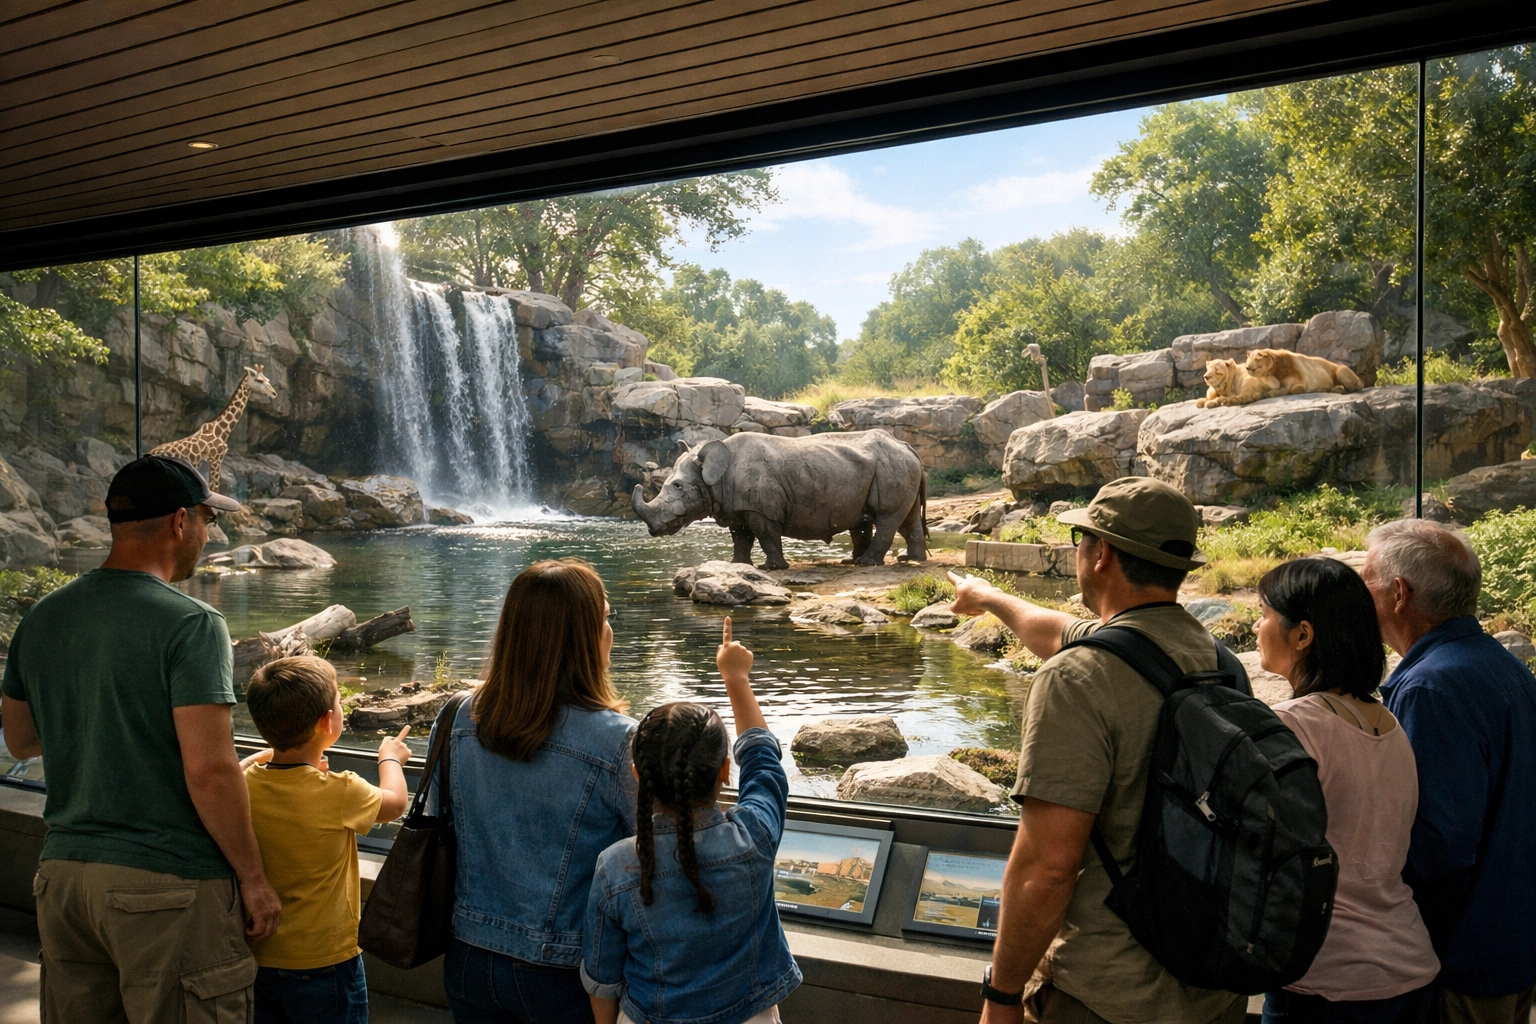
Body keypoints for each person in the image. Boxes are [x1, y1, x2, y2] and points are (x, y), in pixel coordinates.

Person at [950, 476, 1245, 1024]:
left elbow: (1049, 867)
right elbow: (1058, 629)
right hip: (1211, 985)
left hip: (1106, 994)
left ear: (1101, 553)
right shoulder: (1219, 663)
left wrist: (1003, 997)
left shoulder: (1076, 679)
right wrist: (988, 597)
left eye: (1080, 540)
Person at [0, 454, 279, 1024]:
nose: (207, 535)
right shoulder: (193, 623)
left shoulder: (43, 617)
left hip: (63, 882)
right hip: (167, 889)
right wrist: (254, 880)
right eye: (208, 520)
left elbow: (22, 740)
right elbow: (210, 772)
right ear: (180, 522)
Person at [436, 558, 637, 1024]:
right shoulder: (619, 740)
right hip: (566, 974)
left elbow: (443, 816)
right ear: (583, 637)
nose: (610, 631)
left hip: (468, 955)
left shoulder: (458, 715)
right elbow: (656, 850)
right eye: (604, 619)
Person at [581, 617, 800, 1024]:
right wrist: (736, 678)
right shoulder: (753, 836)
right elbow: (764, 764)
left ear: (637, 775)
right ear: (724, 771)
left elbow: (602, 977)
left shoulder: (616, 866)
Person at [1363, 519, 1536, 1024]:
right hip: (1511, 942)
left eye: (1366, 579)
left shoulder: (1431, 689)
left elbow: (1437, 845)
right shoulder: (1503, 666)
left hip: (1463, 959)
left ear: (1399, 593)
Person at [1255, 558, 1439, 1024]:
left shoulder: (1293, 725)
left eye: (1263, 614)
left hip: (1327, 977)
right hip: (1409, 961)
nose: (1257, 627)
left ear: (1303, 635)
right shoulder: (1390, 724)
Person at [238, 655, 413, 1024]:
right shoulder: (340, 790)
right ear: (327, 721)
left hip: (260, 956)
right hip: (325, 960)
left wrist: (271, 755)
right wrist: (390, 759)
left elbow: (241, 769)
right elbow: (396, 803)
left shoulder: (246, 785)